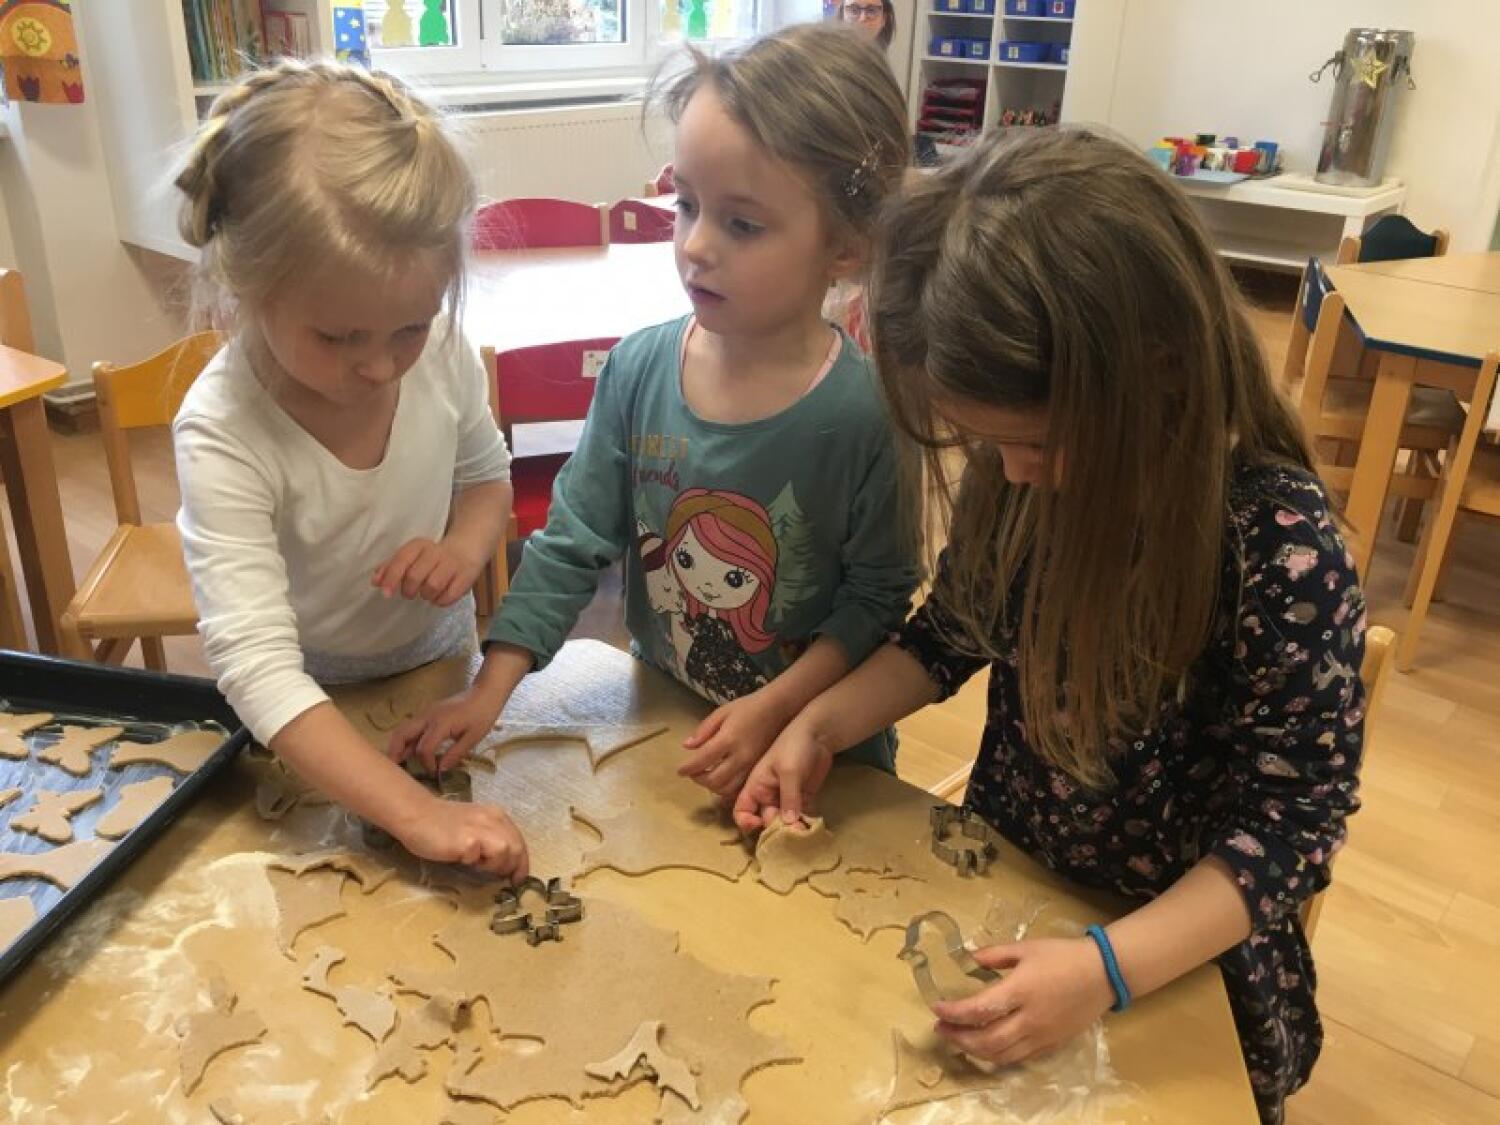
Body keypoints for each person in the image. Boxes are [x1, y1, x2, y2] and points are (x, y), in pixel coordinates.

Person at [734, 127, 1365, 1125]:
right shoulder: (1023, 480)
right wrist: (819, 723)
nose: (1013, 471)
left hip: (1178, 958)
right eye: (990, 445)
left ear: (1156, 374)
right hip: (1012, 888)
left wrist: (1106, 967)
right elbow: (948, 638)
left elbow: (1292, 827)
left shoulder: (1279, 547)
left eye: (1032, 442)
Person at [393, 24, 919, 804]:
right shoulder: (638, 370)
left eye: (741, 223)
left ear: (845, 246)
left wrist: (776, 709)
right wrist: (489, 688)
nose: (696, 245)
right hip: (667, 730)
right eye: (687, 204)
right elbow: (572, 541)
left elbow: (876, 602)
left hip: (818, 762)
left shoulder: (868, 414)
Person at [172, 59, 527, 879]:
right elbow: (258, 668)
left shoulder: (441, 353)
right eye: (338, 338)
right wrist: (417, 814)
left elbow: (486, 475)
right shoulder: (223, 429)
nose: (380, 365)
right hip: (310, 700)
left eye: (410, 327)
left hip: (440, 660)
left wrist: (466, 547)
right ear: (242, 288)